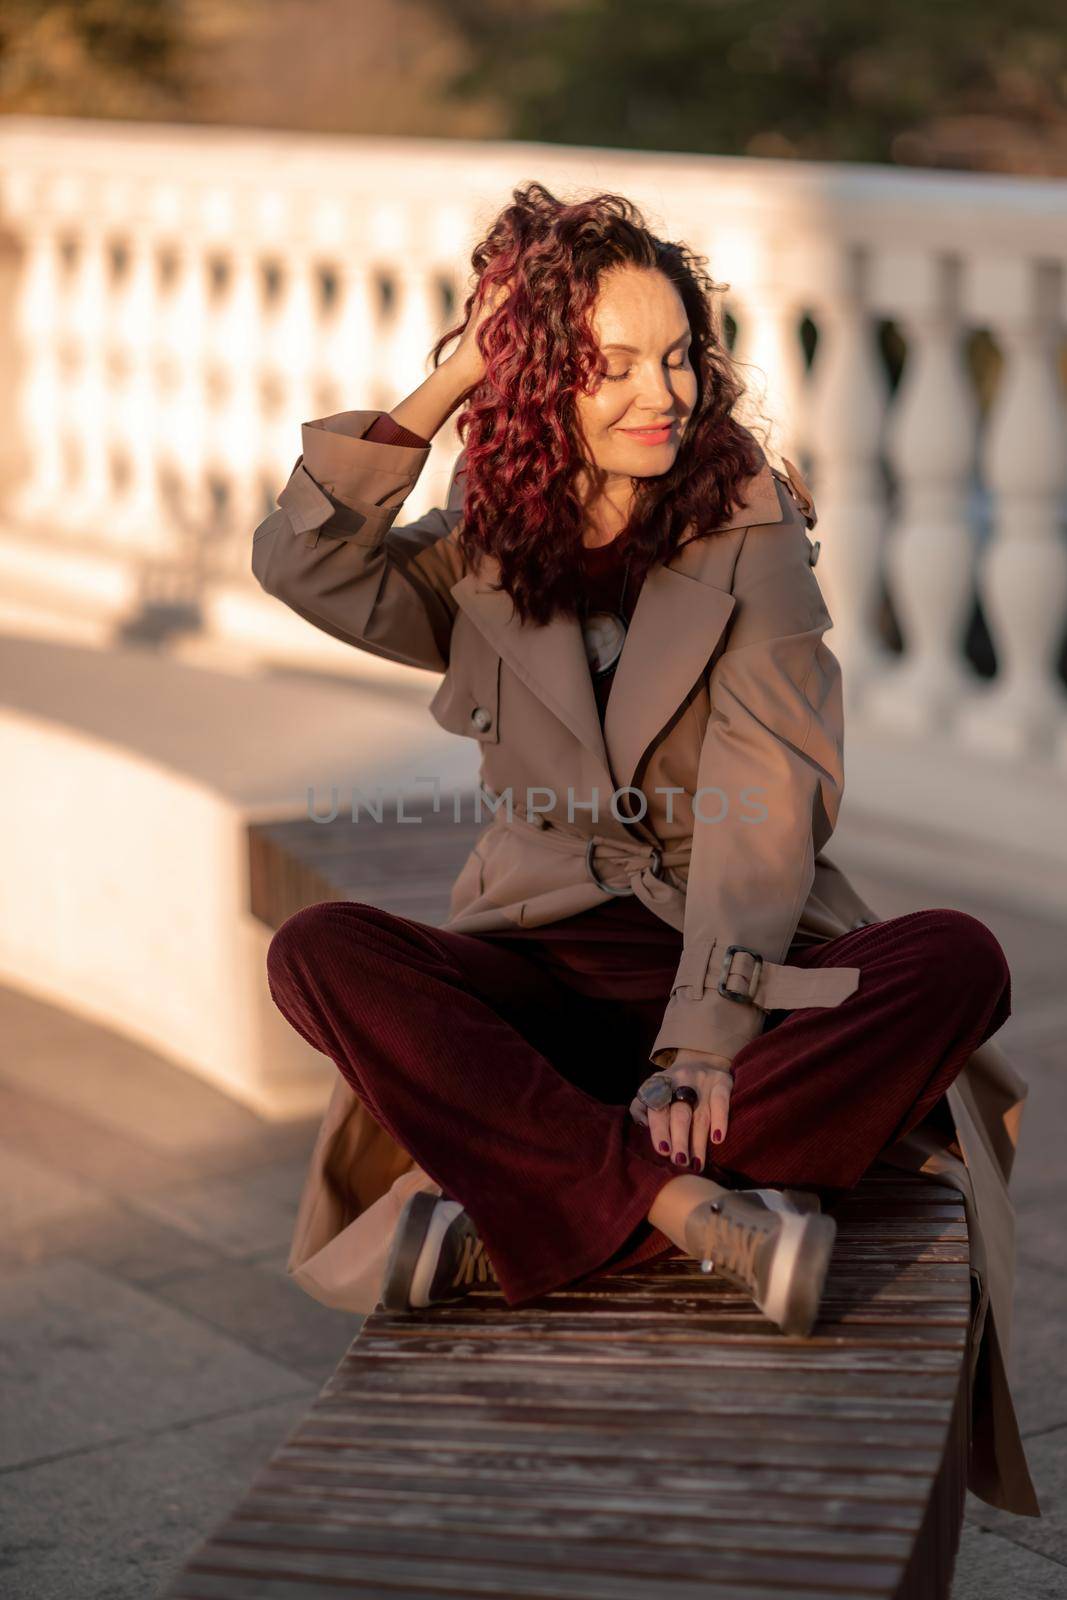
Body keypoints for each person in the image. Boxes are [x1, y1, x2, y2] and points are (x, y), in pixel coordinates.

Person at [254, 181, 1012, 1341]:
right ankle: (690, 1205)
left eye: (676, 358)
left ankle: (526, 1192)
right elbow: (306, 565)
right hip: (542, 977)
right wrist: (454, 378)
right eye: (610, 363)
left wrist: (703, 1043)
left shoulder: (747, 526)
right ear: (540, 375)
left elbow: (767, 794)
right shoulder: (487, 536)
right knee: (320, 953)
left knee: (953, 961)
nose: (659, 395)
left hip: (731, 978)